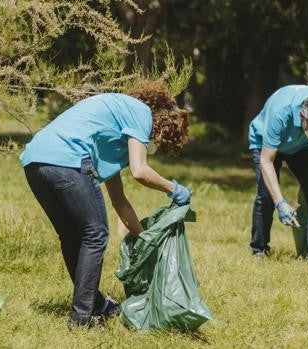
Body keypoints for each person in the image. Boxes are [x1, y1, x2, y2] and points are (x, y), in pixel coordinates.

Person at [20, 80, 191, 329]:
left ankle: (96, 304)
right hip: (67, 160)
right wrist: (173, 188)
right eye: (157, 144)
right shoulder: (141, 114)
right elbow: (140, 171)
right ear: (161, 128)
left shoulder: (112, 134)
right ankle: (81, 318)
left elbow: (119, 201)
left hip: (36, 162)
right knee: (95, 234)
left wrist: (144, 238)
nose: (151, 147)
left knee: (72, 236)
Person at [247, 84, 308, 263]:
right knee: (266, 197)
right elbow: (266, 161)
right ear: (302, 116)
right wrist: (280, 202)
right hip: (265, 144)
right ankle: (259, 250)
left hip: (302, 145)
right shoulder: (281, 113)